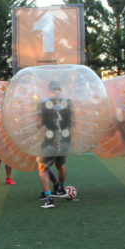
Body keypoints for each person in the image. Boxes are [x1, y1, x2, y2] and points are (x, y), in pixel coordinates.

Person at [36, 80, 72, 208]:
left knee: (42, 168)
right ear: (60, 89)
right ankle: (61, 189)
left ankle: (49, 199)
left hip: (50, 140)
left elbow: (38, 123)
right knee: (61, 164)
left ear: (49, 90)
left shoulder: (44, 104)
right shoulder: (67, 103)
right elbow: (72, 122)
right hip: (65, 139)